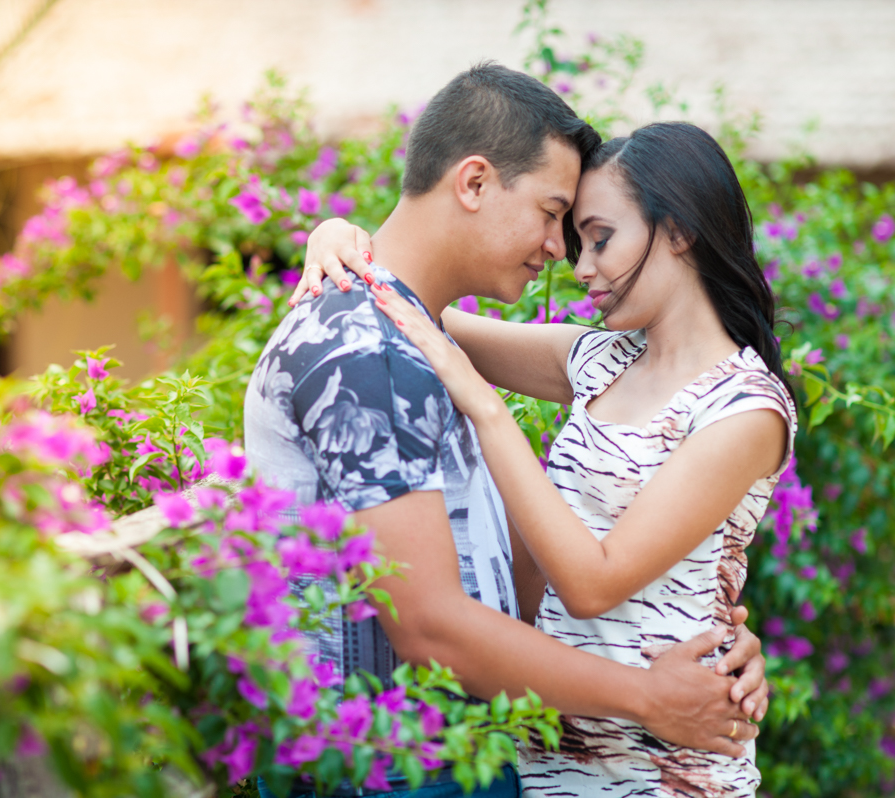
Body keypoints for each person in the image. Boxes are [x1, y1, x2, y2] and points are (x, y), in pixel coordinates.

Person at [245, 62, 768, 798]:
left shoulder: (413, 334)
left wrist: (710, 642)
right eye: (556, 216)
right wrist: (651, 694)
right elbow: (431, 626)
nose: (566, 254)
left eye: (591, 233)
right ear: (475, 182)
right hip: (404, 766)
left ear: (677, 233)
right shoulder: (374, 352)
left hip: (551, 755)